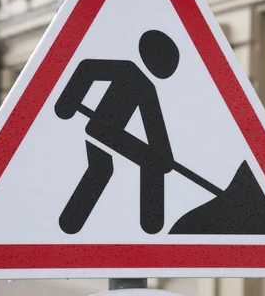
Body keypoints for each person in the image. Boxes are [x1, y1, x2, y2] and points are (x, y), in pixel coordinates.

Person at [56, 30, 180, 235]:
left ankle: (151, 224)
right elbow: (87, 69)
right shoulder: (128, 70)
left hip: (110, 133)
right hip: (100, 129)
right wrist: (67, 103)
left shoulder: (146, 87)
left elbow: (155, 129)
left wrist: (164, 157)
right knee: (104, 169)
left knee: (146, 162)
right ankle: (70, 224)